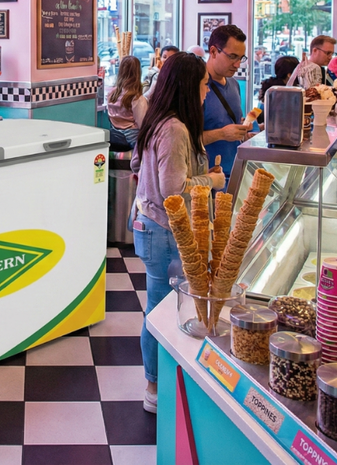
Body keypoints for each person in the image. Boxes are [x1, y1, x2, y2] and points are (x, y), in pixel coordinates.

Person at [131, 53, 225, 413]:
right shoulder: (173, 129)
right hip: (165, 233)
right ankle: (155, 387)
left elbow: (143, 167)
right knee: (160, 308)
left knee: (162, 305)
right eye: (203, 84)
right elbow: (174, 190)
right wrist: (213, 181)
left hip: (153, 228)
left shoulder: (162, 122)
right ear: (188, 86)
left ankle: (160, 381)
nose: (207, 90)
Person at [202, 24, 253, 180]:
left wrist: (243, 130)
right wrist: (222, 133)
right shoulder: (196, 87)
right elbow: (181, 140)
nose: (237, 64)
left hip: (234, 172)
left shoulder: (234, 84)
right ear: (213, 51)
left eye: (241, 58)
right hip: (206, 178)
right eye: (232, 56)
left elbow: (231, 122)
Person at [106, 55, 148, 150]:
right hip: (132, 140)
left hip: (115, 137)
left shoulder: (111, 94)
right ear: (138, 72)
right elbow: (143, 125)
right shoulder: (137, 99)